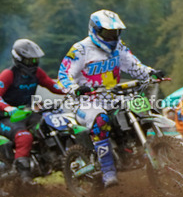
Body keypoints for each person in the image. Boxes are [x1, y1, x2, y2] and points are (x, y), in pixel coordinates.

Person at [57, 10, 163, 187]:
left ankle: (138, 151)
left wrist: (151, 73)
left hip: (113, 96)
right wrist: (75, 88)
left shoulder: (119, 47)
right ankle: (108, 171)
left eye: (115, 32)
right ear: (95, 30)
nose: (112, 37)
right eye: (108, 33)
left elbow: (134, 66)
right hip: (86, 102)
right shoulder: (80, 49)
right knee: (101, 120)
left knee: (140, 109)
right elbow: (63, 75)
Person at [0, 39, 66, 186]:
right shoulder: (8, 74)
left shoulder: (37, 73)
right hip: (6, 117)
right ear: (19, 59)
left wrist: (72, 90)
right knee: (24, 137)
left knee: (49, 125)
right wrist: (7, 108)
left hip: (27, 113)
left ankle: (55, 158)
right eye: (30, 60)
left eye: (35, 60)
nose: (33, 63)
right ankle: (25, 179)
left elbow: (53, 86)